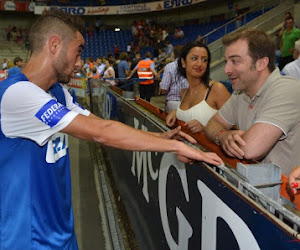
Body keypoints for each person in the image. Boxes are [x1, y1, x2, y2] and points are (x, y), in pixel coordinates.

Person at [0, 10, 223, 249]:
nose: (79, 63)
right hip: (27, 239)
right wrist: (176, 146)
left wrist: (159, 136)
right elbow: (100, 131)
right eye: (78, 50)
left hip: (61, 234)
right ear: (54, 45)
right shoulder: (16, 93)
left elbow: (98, 124)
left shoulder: (57, 92)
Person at [204, 28, 300, 176]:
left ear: (261, 63)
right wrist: (223, 136)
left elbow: (249, 150)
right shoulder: (240, 92)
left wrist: (230, 138)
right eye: (226, 61)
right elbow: (211, 124)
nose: (226, 69)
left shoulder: (287, 89)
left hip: (285, 197)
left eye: (235, 61)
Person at [166, 41, 230, 133]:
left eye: (204, 60)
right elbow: (191, 115)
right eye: (194, 58)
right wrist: (176, 113)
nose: (200, 64)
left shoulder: (216, 89)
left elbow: (236, 127)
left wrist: (205, 129)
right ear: (183, 62)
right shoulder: (183, 93)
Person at [159, 45, 189, 113]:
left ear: (174, 54)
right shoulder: (190, 66)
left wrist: (160, 84)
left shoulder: (169, 67)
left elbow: (164, 88)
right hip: (189, 103)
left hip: (173, 103)